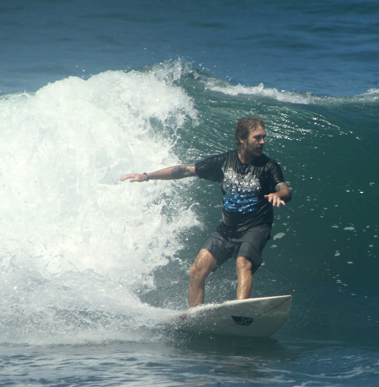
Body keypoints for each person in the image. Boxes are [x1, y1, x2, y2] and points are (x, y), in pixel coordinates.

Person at [120, 116, 291, 307]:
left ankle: (240, 309)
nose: (262, 142)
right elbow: (184, 170)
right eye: (257, 138)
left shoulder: (268, 166)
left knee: (243, 262)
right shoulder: (224, 162)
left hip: (256, 227)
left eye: (263, 137)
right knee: (197, 270)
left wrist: (280, 194)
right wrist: (146, 176)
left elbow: (284, 188)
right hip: (227, 230)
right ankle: (196, 316)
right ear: (242, 139)